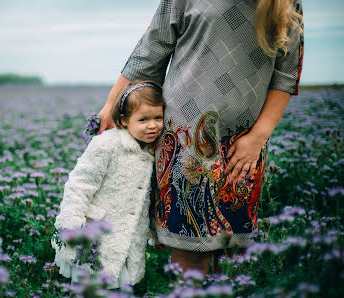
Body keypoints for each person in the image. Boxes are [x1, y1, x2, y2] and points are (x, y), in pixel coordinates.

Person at [98, 0, 304, 275]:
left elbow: (286, 75)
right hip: (183, 141)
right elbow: (151, 51)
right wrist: (112, 106)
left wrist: (257, 138)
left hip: (244, 147)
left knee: (234, 252)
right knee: (190, 251)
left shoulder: (288, 2)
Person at [53, 80, 165, 288]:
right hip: (96, 238)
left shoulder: (153, 150)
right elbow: (80, 184)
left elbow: (149, 199)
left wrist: (155, 233)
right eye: (143, 120)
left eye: (158, 118)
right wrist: (71, 224)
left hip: (128, 240)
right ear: (124, 120)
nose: (152, 125)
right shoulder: (107, 144)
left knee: (120, 286)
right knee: (89, 286)